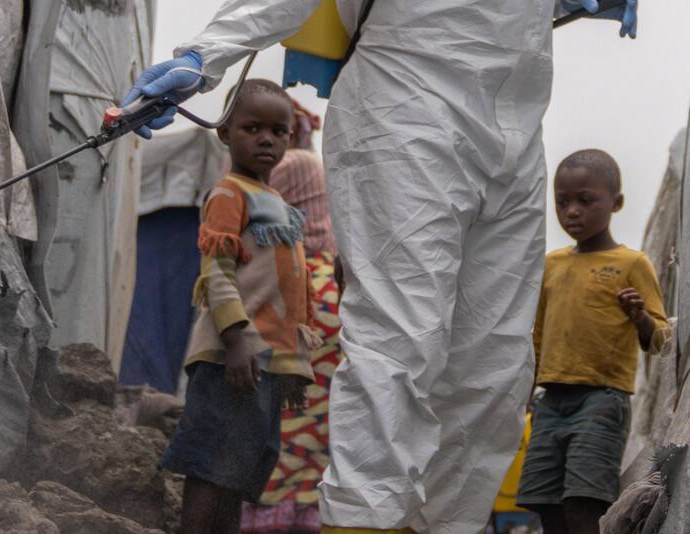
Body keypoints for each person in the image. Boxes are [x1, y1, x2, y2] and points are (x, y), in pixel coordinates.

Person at [125, 1, 639, 532]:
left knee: (494, 371)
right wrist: (204, 54)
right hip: (406, 107)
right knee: (399, 343)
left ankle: (442, 525)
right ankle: (363, 521)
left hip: (518, 128)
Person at [160, 79, 316, 534]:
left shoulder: (283, 205)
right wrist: (236, 337)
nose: (266, 139)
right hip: (233, 357)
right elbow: (217, 271)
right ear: (225, 133)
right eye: (252, 128)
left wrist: (291, 360)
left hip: (264, 364)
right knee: (211, 467)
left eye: (278, 131)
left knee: (239, 473)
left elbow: (285, 285)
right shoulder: (229, 193)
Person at [515, 149, 669, 534]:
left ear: (615, 202)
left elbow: (663, 340)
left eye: (586, 200)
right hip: (550, 401)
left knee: (584, 502)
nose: (572, 212)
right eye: (562, 202)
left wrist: (640, 318)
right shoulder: (551, 264)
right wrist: (525, 392)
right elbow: (537, 335)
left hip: (601, 400)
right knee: (544, 502)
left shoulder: (632, 264)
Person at [241, 98, 341, 534]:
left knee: (278, 425)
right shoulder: (319, 163)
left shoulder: (288, 169)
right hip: (333, 289)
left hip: (294, 282)